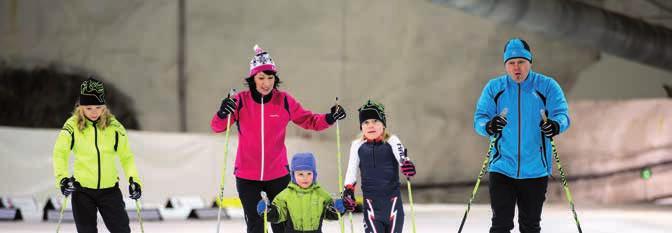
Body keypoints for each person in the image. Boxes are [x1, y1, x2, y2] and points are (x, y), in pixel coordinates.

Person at [210, 45, 346, 233]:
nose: (266, 83)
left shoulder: (283, 101)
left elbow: (310, 120)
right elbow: (217, 127)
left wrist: (330, 118)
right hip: (247, 176)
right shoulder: (240, 101)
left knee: (282, 226)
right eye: (261, 78)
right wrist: (222, 112)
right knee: (256, 225)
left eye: (270, 78)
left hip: (278, 176)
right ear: (252, 79)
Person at [473, 38, 571, 233]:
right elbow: (480, 119)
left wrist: (555, 125)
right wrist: (490, 125)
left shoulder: (547, 86)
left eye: (521, 62)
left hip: (535, 170)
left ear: (530, 63)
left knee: (530, 227)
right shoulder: (495, 88)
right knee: (500, 225)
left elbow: (562, 115)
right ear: (505, 65)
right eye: (511, 63)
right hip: (502, 168)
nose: (516, 68)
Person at [53, 77, 142, 233]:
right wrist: (62, 179)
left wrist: (134, 179)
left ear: (104, 107)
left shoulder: (114, 127)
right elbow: (60, 154)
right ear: (80, 107)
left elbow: (126, 157)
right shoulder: (72, 126)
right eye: (88, 108)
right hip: (82, 192)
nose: (94, 112)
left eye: (98, 107)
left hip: (110, 191)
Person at [341, 100, 416, 233]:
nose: (371, 126)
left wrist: (407, 165)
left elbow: (403, 159)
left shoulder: (392, 140)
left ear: (383, 124)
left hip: (393, 207)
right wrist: (348, 190)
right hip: (371, 208)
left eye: (375, 121)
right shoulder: (357, 145)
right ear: (361, 126)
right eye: (366, 122)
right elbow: (351, 171)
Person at [256, 153, 346, 233]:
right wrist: (267, 211)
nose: (305, 178)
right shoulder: (286, 195)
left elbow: (329, 214)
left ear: (314, 175)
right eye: (300, 174)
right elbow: (278, 215)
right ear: (293, 175)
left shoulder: (321, 194)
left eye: (309, 174)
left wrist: (337, 209)